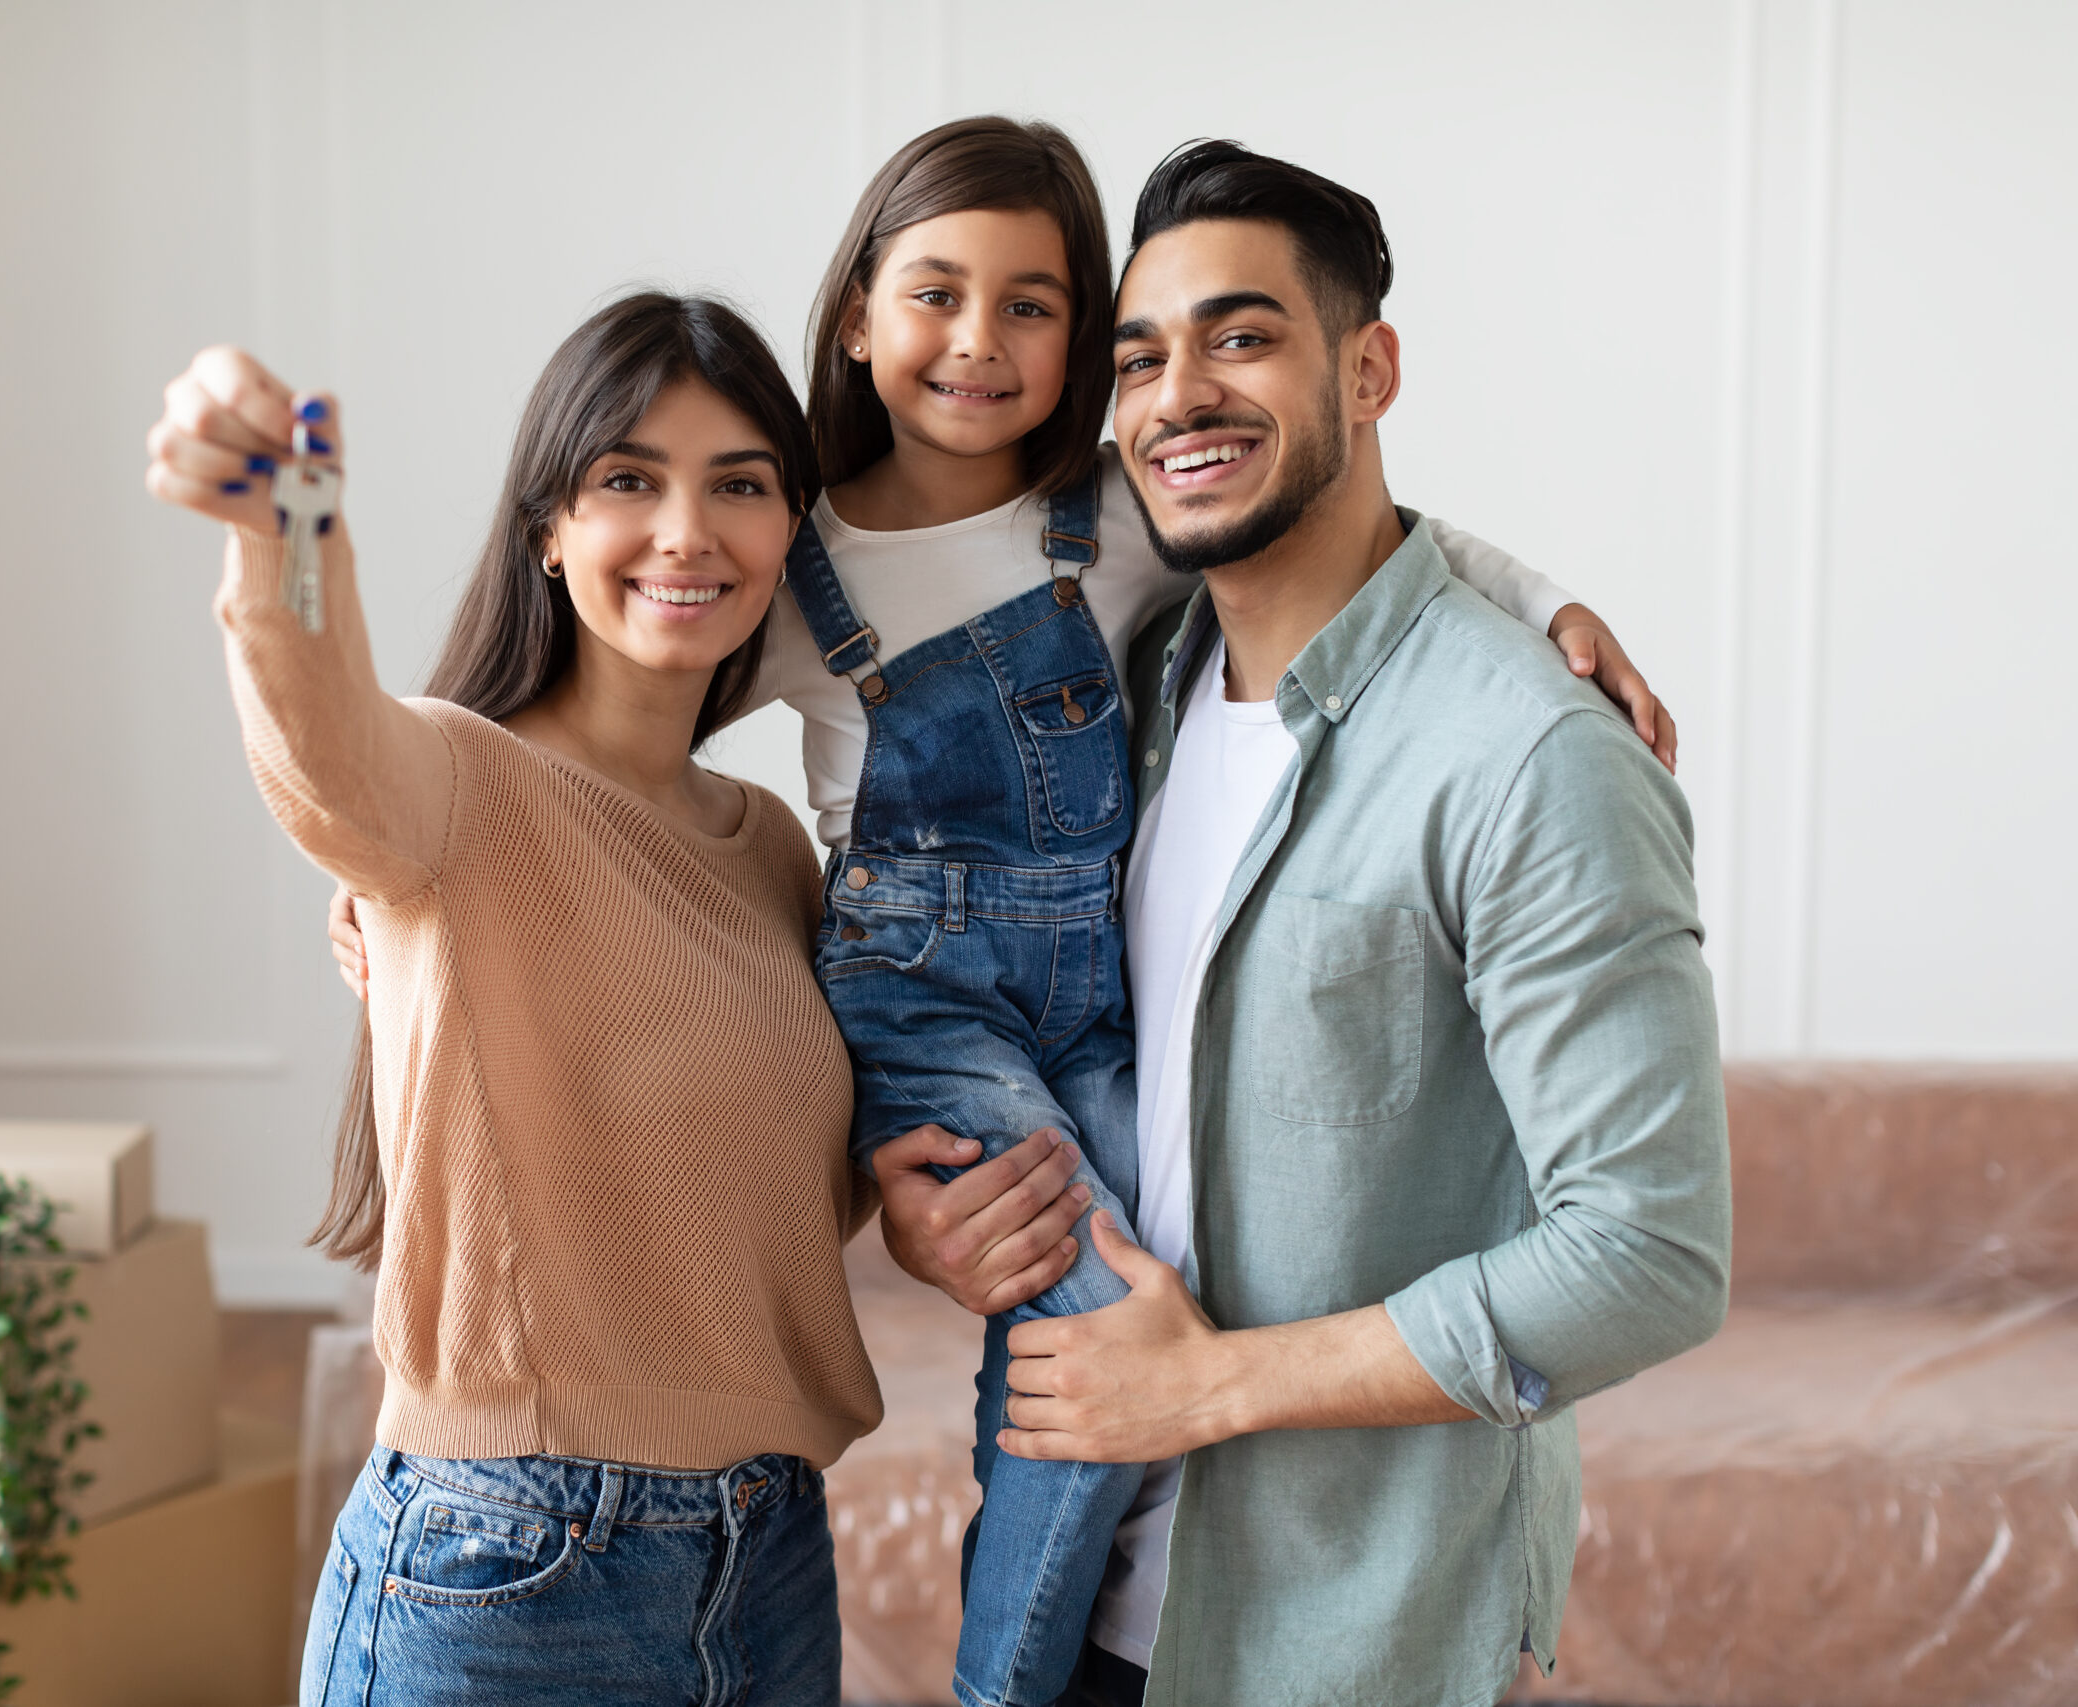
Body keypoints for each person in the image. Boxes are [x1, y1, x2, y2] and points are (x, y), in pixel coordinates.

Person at [329, 118, 1679, 1707]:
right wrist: (410, 902)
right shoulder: (791, 547)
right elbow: (595, 738)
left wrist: (1548, 607)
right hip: (922, 996)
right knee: (1098, 1311)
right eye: (936, 295)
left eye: (1034, 307)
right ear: (855, 316)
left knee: (1161, 1260)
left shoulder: (1120, 509)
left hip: (1083, 983)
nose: (979, 343)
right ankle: (1004, 1686)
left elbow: (1395, 540)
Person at [973, 141, 1733, 1707]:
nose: (1180, 393)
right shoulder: (1132, 692)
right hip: (1073, 1603)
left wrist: (1212, 1390)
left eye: (1242, 337)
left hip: (1348, 1647)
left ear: (1368, 369)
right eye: (1141, 358)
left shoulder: (1532, 754)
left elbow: (1652, 1253)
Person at [146, 295, 880, 1705]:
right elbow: (322, 741)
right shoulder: (459, 785)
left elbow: (757, 1199)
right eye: (628, 482)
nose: (687, 532)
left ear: (790, 531)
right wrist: (283, 526)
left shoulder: (772, 846)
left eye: (740, 485)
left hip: (769, 1561)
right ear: (548, 530)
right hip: (510, 1571)